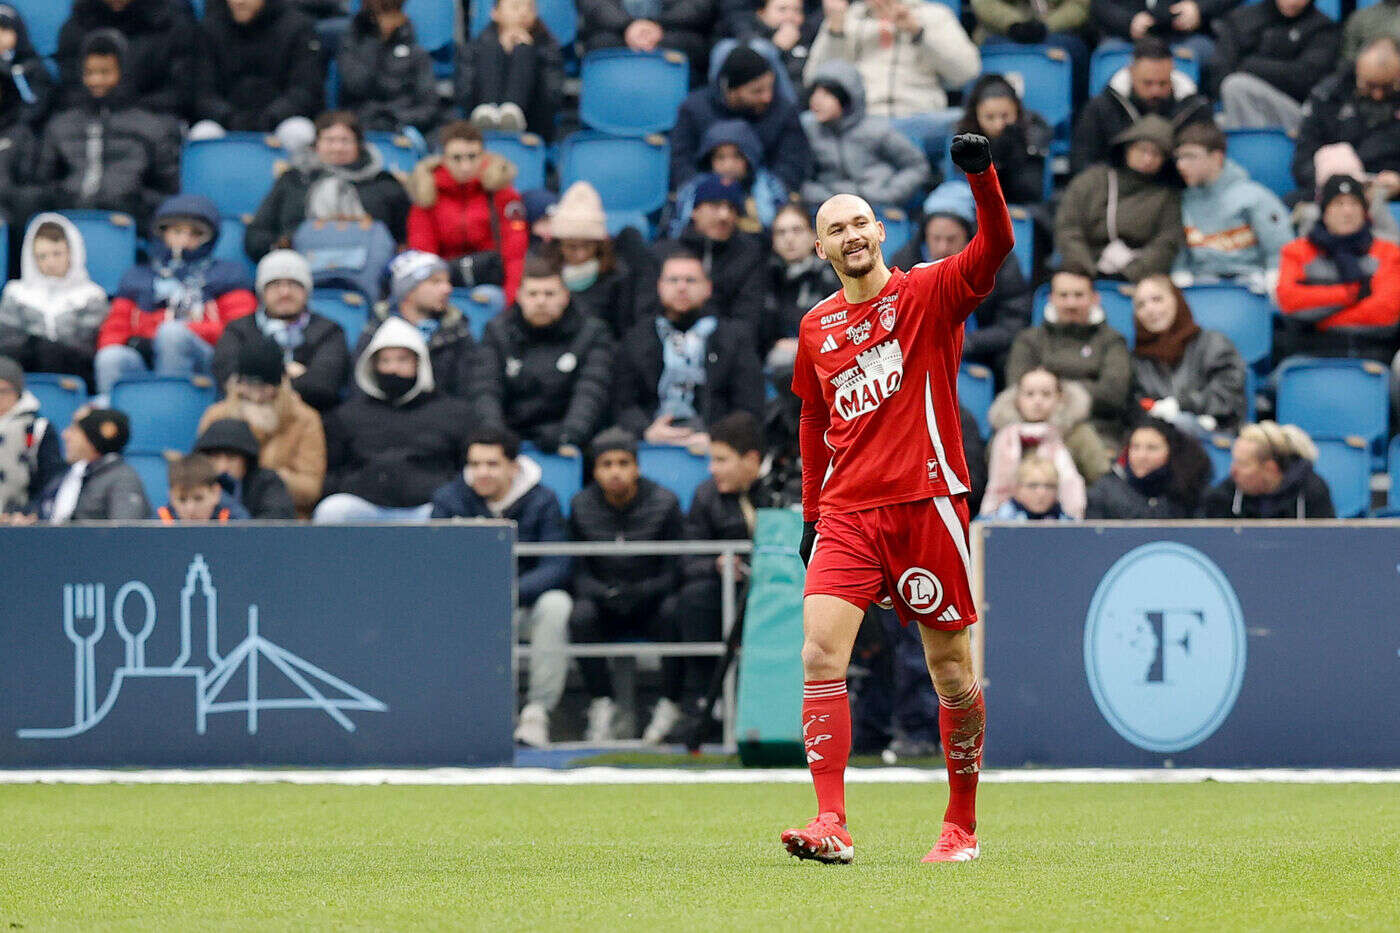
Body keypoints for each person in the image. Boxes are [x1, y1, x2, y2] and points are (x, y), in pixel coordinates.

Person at [780, 133, 1011, 865]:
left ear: (881, 231)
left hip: (928, 501)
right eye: (834, 228)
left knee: (951, 671)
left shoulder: (928, 292)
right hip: (848, 512)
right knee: (820, 651)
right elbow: (814, 421)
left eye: (860, 222)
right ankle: (831, 819)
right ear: (820, 249)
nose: (850, 235)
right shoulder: (815, 327)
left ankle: (961, 823)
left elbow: (996, 244)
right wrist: (813, 514)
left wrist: (981, 176)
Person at [430, 425, 572, 747]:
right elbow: (434, 564)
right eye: (475, 464)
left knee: (557, 604)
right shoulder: (449, 499)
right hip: (467, 609)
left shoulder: (543, 501)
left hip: (522, 605)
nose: (482, 472)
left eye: (492, 464)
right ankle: (472, 717)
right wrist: (478, 596)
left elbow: (557, 564)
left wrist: (508, 592)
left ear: (514, 466)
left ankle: (536, 715)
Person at [567, 427, 686, 743]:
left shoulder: (665, 502)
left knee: (676, 611)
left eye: (623, 463)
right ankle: (601, 703)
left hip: (651, 602)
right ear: (595, 470)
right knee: (580, 615)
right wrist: (603, 593)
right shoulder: (580, 505)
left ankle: (671, 704)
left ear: (636, 467)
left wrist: (641, 592)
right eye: (606, 464)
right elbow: (576, 569)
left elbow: (677, 568)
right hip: (603, 604)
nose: (615, 472)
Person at [93, 194, 257, 395]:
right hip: (146, 357)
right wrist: (134, 342)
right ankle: (112, 418)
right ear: (162, 233)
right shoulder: (138, 277)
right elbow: (113, 330)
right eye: (177, 231)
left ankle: (174, 403)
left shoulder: (229, 274)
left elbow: (240, 332)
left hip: (207, 361)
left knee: (172, 335)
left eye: (195, 234)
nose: (185, 240)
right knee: (111, 357)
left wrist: (181, 330)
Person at [314, 317, 473, 523]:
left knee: (458, 515)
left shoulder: (453, 413)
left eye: (402, 359)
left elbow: (465, 470)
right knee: (332, 512)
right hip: (365, 507)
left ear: (419, 362)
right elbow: (332, 473)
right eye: (385, 361)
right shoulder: (347, 416)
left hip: (428, 510)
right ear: (372, 365)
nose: (393, 369)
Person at [667, 411, 764, 743]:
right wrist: (717, 566)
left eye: (721, 459)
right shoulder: (705, 495)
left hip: (780, 597)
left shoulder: (790, 487)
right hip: (722, 598)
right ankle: (701, 704)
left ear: (751, 459)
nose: (712, 468)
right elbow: (687, 559)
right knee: (692, 597)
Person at [615, 250, 764, 455]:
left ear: (708, 288)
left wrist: (716, 436)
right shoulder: (636, 339)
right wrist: (647, 431)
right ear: (659, 287)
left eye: (691, 280)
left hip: (716, 446)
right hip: (649, 443)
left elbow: (749, 406)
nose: (681, 287)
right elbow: (622, 403)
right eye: (673, 280)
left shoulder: (733, 339)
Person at [472, 251, 614, 454]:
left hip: (571, 440)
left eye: (549, 294)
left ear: (565, 296)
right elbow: (485, 389)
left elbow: (591, 390)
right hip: (508, 440)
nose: (540, 301)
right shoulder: (497, 331)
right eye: (533, 294)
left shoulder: (592, 333)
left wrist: (568, 434)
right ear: (519, 296)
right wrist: (496, 436)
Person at [34, 30, 181, 225]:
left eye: (105, 72)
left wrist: (136, 202)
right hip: (67, 227)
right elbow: (43, 182)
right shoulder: (61, 125)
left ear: (123, 72)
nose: (96, 81)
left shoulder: (151, 127)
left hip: (129, 224)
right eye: (89, 73)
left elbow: (167, 191)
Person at [890, 185, 1031, 379]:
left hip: (981, 351)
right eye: (936, 238)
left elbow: (1013, 323)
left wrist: (968, 343)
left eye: (951, 239)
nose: (942, 248)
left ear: (969, 236)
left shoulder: (999, 262)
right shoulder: (904, 262)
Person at [244, 110, 412, 260]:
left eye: (345, 141)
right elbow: (257, 235)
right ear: (316, 145)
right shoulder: (293, 180)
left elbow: (405, 238)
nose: (337, 148)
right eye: (330, 140)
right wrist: (282, 248)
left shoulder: (383, 183)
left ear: (359, 146)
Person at [1276, 174, 1400, 364]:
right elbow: (1289, 301)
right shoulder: (1297, 251)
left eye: (1354, 204)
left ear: (1364, 211)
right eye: (1338, 204)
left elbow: (1386, 311)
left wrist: (1323, 322)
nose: (1347, 212)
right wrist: (1351, 294)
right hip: (1309, 353)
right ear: (1324, 210)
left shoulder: (1387, 251)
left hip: (1373, 352)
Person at [200, 336, 326, 517]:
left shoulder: (304, 419)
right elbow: (197, 474)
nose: (256, 396)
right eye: (249, 386)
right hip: (222, 517)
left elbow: (310, 489)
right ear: (238, 383)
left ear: (279, 385)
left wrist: (258, 475)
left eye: (264, 388)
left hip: (282, 517)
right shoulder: (217, 416)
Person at [212, 250, 351, 413]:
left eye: (294, 284)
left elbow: (323, 386)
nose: (285, 292)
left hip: (311, 418)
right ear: (262, 292)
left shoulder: (329, 331)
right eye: (275, 284)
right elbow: (229, 378)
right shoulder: (239, 329)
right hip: (245, 416)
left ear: (307, 291)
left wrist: (259, 381)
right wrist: (288, 373)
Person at [1007, 269, 1133, 448]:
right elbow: (1017, 388)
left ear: (1095, 298)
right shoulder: (1028, 340)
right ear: (1051, 298)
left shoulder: (1112, 341)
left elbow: (1113, 394)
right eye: (1063, 295)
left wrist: (1048, 392)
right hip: (1034, 432)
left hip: (1098, 431)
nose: (1071, 303)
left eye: (1079, 295)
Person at [406, 121, 529, 303]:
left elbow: (515, 252)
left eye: (472, 157)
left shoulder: (503, 193)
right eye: (457, 158)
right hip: (445, 282)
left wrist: (511, 299)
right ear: (443, 159)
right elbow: (424, 256)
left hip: (493, 281)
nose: (465, 166)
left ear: (484, 156)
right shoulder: (427, 194)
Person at [1056, 115, 1184, 282]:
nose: (1148, 159)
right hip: (1083, 273)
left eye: (1156, 154)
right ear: (1127, 148)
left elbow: (1166, 243)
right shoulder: (1091, 181)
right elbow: (1068, 228)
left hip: (1141, 280)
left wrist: (1130, 274)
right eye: (1142, 150)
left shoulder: (1168, 196)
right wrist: (1086, 270)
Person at [804, 0, 979, 120]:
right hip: (861, 121)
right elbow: (813, 80)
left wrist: (918, 32)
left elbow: (967, 71)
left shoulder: (934, 15)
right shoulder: (844, 19)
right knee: (808, 123)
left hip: (921, 115)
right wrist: (835, 33)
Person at [671, 45, 812, 193]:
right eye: (757, 91)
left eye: (770, 87)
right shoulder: (694, 109)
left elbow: (792, 164)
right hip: (707, 198)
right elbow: (682, 163)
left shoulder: (783, 111)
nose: (767, 97)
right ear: (731, 91)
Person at [1171, 121, 1293, 291]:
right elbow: (1180, 261)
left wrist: (1273, 282)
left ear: (1216, 157)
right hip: (1201, 289)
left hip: (1252, 287)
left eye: (1190, 156)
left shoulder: (1255, 197)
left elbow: (1280, 251)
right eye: (1179, 157)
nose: (1181, 165)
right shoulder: (1182, 202)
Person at [799, 61, 930, 212]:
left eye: (827, 93)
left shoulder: (877, 130)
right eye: (815, 92)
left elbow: (917, 165)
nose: (816, 100)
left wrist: (889, 194)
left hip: (878, 207)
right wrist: (829, 198)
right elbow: (800, 178)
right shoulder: (808, 130)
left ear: (847, 97)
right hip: (827, 209)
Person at [1070, 37, 1211, 175]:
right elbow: (1082, 161)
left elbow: (1206, 164)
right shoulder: (1101, 107)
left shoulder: (1194, 110)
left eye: (1163, 83)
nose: (1156, 91)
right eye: (1148, 83)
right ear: (1131, 72)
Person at [651, 177, 769, 339]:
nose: (724, 215)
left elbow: (748, 319)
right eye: (715, 205)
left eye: (732, 208)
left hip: (728, 350)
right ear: (694, 211)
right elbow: (646, 314)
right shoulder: (663, 254)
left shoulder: (748, 256)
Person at [0, 215, 108, 386]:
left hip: (73, 372)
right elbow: (8, 342)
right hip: (23, 374)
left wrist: (42, 346)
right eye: (42, 256)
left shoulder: (92, 295)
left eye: (57, 254)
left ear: (72, 252)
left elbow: (86, 347)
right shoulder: (15, 293)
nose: (50, 262)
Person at [1130, 275, 1246, 433]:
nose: (1149, 309)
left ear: (1177, 300)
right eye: (1140, 305)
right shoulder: (1137, 361)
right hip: (1157, 442)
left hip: (1214, 435)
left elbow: (1227, 399)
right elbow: (1134, 409)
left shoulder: (1213, 344)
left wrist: (1180, 405)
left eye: (1157, 299)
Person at [356, 251, 476, 399]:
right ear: (409, 291)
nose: (447, 289)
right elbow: (359, 391)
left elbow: (471, 389)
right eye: (436, 281)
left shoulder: (457, 331)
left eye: (447, 281)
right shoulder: (375, 331)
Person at [192, 0, 323, 136]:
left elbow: (306, 88)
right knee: (203, 133)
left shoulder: (298, 28)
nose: (239, 2)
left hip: (281, 120)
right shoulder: (209, 29)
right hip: (225, 121)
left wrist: (273, 116)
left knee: (299, 132)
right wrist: (228, 117)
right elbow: (202, 91)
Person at [981, 367, 1097, 518]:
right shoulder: (1003, 439)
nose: (1038, 401)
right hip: (1008, 519)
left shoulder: (1078, 434)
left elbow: (1099, 479)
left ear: (1060, 397)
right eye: (1030, 394)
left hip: (1066, 519)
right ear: (1017, 399)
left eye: (1046, 394)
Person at [1210, 0, 1338, 134]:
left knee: (1236, 85)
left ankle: (1255, 146)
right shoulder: (1243, 18)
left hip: (1295, 110)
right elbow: (1220, 68)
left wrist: (1249, 65)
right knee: (1209, 126)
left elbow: (1305, 77)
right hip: (1240, 105)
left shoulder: (1323, 28)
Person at [1293, 37, 1400, 197]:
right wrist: (1337, 181)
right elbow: (1303, 160)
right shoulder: (1328, 96)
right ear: (1358, 71)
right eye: (1370, 86)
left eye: (1387, 86)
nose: (1378, 94)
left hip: (1388, 194)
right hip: (1332, 192)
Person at [56, 0, 197, 118]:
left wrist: (130, 110)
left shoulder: (173, 24)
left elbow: (182, 93)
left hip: (155, 120)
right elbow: (70, 92)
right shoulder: (76, 27)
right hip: (88, 124)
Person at [667, 118, 791, 237]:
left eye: (737, 156)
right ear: (710, 161)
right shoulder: (693, 191)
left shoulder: (769, 188)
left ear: (749, 158)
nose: (728, 165)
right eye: (720, 157)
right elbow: (678, 232)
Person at [458, 0, 564, 139]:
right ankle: (489, 110)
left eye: (530, 8)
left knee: (523, 51)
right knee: (492, 50)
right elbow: (464, 92)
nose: (523, 13)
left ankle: (513, 113)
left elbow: (552, 96)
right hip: (479, 122)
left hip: (533, 124)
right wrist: (503, 54)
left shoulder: (547, 47)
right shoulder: (477, 47)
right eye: (516, 7)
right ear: (495, 13)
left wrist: (530, 52)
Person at [548, 182, 639, 339]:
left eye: (588, 246)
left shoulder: (616, 276)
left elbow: (623, 330)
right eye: (572, 247)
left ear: (599, 245)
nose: (581, 254)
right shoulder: (544, 273)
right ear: (559, 245)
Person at [336, 0, 440, 134]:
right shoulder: (351, 47)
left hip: (406, 123)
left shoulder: (416, 53)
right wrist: (377, 42)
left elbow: (429, 104)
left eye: (394, 11)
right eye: (382, 13)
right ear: (371, 17)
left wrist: (398, 118)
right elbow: (357, 86)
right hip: (363, 123)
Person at [35, 407, 151, 522]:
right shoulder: (69, 474)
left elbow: (125, 534)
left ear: (92, 438)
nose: (65, 435)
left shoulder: (122, 479)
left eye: (75, 429)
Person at [951, 75, 1052, 206]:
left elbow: (1031, 191)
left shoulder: (1032, 133)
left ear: (1016, 110)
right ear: (976, 115)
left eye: (1005, 116)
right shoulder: (964, 140)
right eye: (989, 117)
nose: (998, 125)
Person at [762, 203, 840, 371]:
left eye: (797, 230)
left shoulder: (832, 275)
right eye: (781, 232)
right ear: (773, 241)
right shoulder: (764, 277)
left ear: (813, 237)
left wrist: (801, 347)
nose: (789, 238)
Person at [1200, 420, 1335, 518]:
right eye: (1234, 461)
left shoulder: (1313, 492)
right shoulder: (1222, 497)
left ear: (1270, 469)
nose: (1233, 471)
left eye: (1243, 464)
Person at [1084, 417, 1211, 518]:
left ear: (1171, 451)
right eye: (1135, 447)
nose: (1142, 456)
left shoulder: (1190, 492)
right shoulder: (1104, 492)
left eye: (1152, 448)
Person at [192, 418, 297, 520]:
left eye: (231, 458)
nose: (223, 467)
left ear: (246, 460)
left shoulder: (266, 483)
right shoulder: (191, 482)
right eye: (215, 457)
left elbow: (275, 523)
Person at [577, 0, 714, 74]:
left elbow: (699, 5)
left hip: (673, 32)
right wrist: (628, 26)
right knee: (602, 44)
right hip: (615, 33)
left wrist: (657, 25)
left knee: (691, 46)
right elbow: (595, 5)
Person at [0, 358, 63, 515]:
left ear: (18, 392)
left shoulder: (38, 429)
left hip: (18, 520)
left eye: (3, 391)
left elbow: (50, 481)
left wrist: (29, 512)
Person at [1088, 0, 1230, 67]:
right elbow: (1098, 5)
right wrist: (1127, 22)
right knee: (1110, 57)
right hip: (1128, 37)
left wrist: (1198, 8)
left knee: (1200, 55)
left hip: (1185, 36)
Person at [729, 0, 817, 90]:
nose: (790, 16)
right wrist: (776, 48)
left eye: (797, 10)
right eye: (782, 9)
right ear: (761, 13)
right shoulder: (751, 40)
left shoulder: (810, 40)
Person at [0, 4, 57, 128]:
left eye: (5, 29)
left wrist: (9, 73)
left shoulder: (32, 68)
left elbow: (35, 107)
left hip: (21, 137)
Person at [157, 452, 253, 523]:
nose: (190, 509)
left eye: (198, 498)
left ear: (216, 493)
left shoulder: (238, 522)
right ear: (171, 496)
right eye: (182, 500)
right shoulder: (156, 524)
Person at [988, 456, 1078, 521]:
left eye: (1049, 486)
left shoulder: (1071, 526)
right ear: (1016, 489)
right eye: (1033, 486)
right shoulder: (993, 523)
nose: (1042, 492)